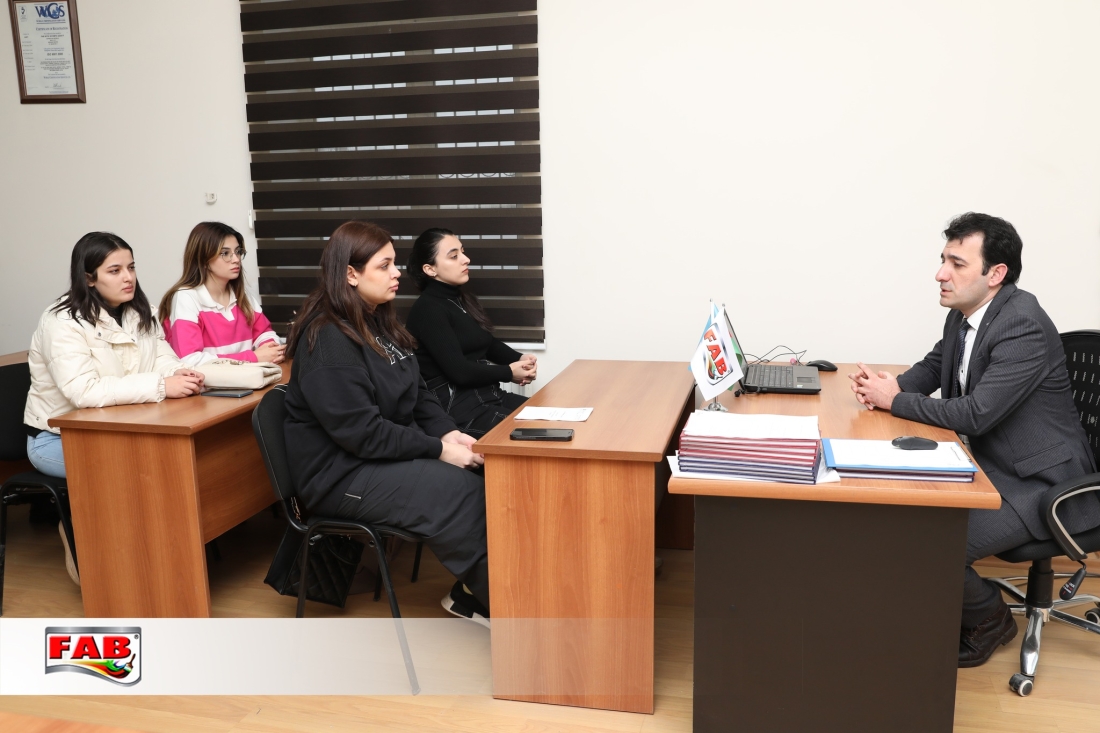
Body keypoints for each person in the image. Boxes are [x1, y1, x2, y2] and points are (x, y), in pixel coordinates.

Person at [848, 212, 1100, 668]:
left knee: (931, 541)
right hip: (992, 466)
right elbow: (935, 365)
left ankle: (989, 620)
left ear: (995, 274)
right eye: (943, 259)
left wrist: (894, 401)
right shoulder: (965, 315)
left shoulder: (1021, 324)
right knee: (901, 515)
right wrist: (891, 387)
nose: (941, 273)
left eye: (957, 263)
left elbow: (976, 414)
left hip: (1042, 483)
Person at [283, 220, 491, 624]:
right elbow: (363, 434)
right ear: (351, 274)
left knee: (485, 474)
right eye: (385, 265)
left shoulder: (379, 322)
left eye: (394, 263)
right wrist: (440, 451)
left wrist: (450, 433)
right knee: (459, 492)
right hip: (340, 476)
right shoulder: (328, 339)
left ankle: (487, 590)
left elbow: (419, 393)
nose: (397, 273)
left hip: (374, 457)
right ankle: (497, 603)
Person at [24, 232, 206, 584]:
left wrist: (178, 373)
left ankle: (161, 565)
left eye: (131, 267)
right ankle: (89, 543)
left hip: (120, 429)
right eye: (115, 270)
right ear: (89, 278)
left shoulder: (139, 311)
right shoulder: (60, 321)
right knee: (141, 471)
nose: (128, 277)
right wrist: (161, 385)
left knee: (171, 464)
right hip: (56, 439)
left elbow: (162, 359)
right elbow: (83, 391)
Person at [405, 228, 536, 437]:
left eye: (463, 252)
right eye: (454, 256)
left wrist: (520, 359)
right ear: (430, 269)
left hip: (490, 396)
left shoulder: (461, 300)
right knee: (538, 434)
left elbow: (486, 343)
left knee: (550, 416)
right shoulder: (428, 309)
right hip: (460, 410)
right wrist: (509, 372)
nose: (466, 259)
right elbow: (460, 372)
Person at [160, 221, 284, 366]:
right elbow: (190, 360)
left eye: (238, 252)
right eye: (225, 253)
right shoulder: (186, 297)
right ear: (204, 260)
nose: (236, 259)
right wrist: (253, 357)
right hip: (211, 381)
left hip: (247, 377)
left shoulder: (241, 294)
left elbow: (264, 333)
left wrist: (271, 349)